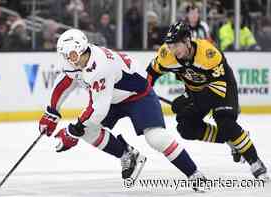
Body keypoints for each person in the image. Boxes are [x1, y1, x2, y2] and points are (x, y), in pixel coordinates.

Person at [38, 28, 206, 187]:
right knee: (87, 130)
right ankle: (128, 155)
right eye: (66, 56)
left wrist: (72, 131)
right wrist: (52, 112)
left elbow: (97, 111)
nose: (69, 60)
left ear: (82, 49)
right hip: (113, 98)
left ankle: (194, 174)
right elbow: (64, 82)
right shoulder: (77, 62)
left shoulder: (100, 67)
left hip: (138, 96)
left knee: (156, 138)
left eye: (72, 55)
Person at [146, 21, 269, 180]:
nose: (173, 50)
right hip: (196, 90)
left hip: (222, 87)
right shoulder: (167, 54)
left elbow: (216, 92)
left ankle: (255, 161)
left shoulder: (208, 53)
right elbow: (151, 72)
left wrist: (186, 99)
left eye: (176, 45)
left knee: (225, 122)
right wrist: (145, 91)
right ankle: (233, 138)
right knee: (186, 127)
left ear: (187, 41)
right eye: (170, 46)